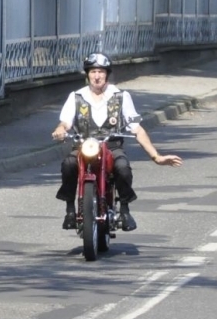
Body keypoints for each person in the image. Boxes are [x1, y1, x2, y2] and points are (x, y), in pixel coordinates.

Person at [50, 53, 182, 232]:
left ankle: (125, 211)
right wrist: (60, 130)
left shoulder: (120, 96)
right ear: (87, 74)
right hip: (84, 146)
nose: (97, 76)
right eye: (93, 71)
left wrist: (156, 156)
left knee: (122, 167)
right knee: (68, 164)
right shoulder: (76, 96)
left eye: (101, 72)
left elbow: (137, 128)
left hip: (111, 146)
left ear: (107, 74)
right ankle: (70, 210)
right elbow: (65, 122)